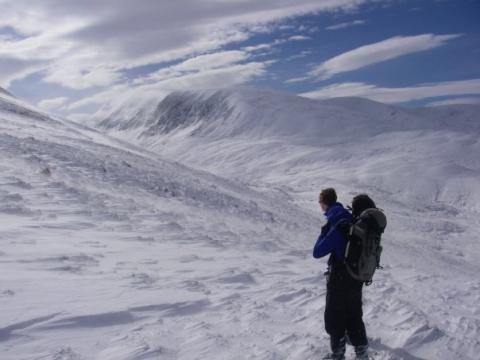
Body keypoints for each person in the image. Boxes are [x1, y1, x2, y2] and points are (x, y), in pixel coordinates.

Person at [313, 188, 374, 360]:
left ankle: (337, 355)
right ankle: (362, 353)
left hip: (340, 277)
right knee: (354, 314)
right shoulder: (351, 218)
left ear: (324, 203)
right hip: (357, 276)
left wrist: (324, 231)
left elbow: (317, 252)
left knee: (335, 316)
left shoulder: (337, 222)